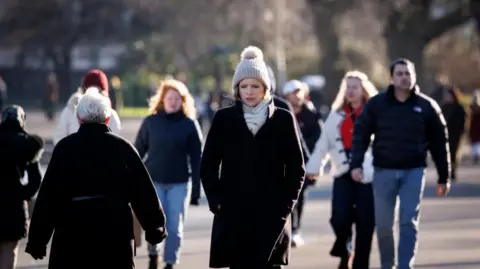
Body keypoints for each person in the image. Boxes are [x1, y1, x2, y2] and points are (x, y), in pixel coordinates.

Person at [25, 88, 167, 269]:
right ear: (108, 119)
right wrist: (155, 227)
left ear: (79, 119)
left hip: (72, 232)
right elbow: (142, 191)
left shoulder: (65, 149)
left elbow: (49, 197)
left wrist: (38, 241)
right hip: (114, 232)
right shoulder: (123, 148)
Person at [200, 46, 305, 269]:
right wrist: (217, 201)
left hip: (272, 216)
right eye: (244, 86)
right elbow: (208, 165)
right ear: (237, 88)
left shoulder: (283, 119)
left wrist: (285, 207)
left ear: (265, 88)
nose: (249, 91)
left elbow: (296, 168)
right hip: (233, 215)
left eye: (255, 86)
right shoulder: (223, 118)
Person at [350, 58, 451, 269]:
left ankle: (405, 266)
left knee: (408, 222)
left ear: (413, 76)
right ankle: (388, 265)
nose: (405, 77)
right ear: (392, 78)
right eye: (400, 73)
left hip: (413, 172)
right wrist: (356, 164)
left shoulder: (426, 106)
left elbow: (440, 143)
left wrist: (444, 176)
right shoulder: (376, 104)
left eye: (408, 73)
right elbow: (361, 133)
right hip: (383, 171)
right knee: (384, 225)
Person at [305, 71, 377, 269]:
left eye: (355, 87)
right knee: (339, 218)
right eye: (348, 87)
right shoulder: (336, 115)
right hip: (342, 174)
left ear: (364, 90)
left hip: (367, 176)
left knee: (365, 223)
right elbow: (323, 144)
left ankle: (361, 264)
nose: (351, 91)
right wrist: (314, 167)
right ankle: (346, 251)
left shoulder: (374, 114)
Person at [135, 79, 203, 269]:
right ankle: (152, 253)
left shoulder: (190, 125)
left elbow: (197, 159)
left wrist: (197, 188)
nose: (173, 102)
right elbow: (138, 151)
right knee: (154, 223)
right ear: (162, 100)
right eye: (169, 98)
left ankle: (170, 263)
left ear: (183, 101)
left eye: (177, 98)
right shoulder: (151, 122)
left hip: (179, 183)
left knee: (174, 226)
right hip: (153, 181)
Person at [0, 105, 44, 269]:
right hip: (13, 204)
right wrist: (22, 195)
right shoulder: (27, 144)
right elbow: (36, 179)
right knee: (9, 249)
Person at [281, 79, 322, 247]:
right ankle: (286, 229)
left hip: (304, 163)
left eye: (299, 92)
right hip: (283, 164)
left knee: (298, 196)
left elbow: (318, 138)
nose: (296, 96)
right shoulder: (281, 111)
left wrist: (314, 163)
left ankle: (296, 229)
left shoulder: (311, 114)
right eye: (293, 92)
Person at [441, 86, 467, 181]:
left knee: (453, 153)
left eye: (448, 95)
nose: (447, 97)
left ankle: (452, 172)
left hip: (456, 135)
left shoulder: (459, 107)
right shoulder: (444, 107)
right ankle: (446, 172)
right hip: (444, 134)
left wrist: (461, 131)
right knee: (445, 153)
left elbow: (463, 121)